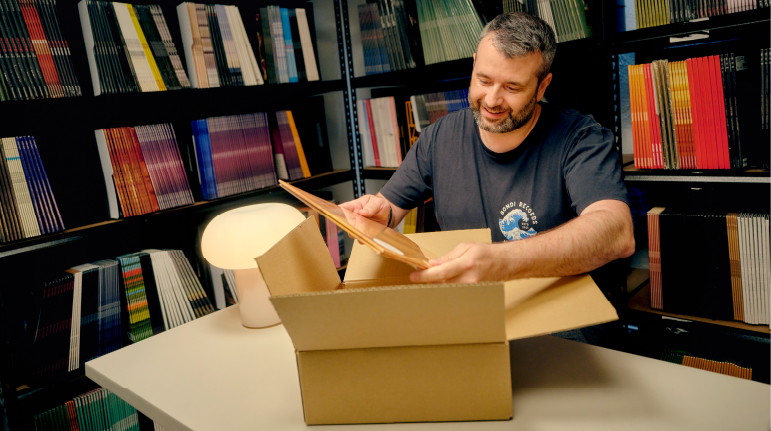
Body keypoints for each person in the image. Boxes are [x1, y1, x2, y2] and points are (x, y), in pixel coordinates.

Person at [341, 12, 634, 284]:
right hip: (470, 317)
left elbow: (617, 234)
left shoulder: (582, 138)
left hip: (560, 327)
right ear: (473, 66)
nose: (492, 100)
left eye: (512, 88)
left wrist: (500, 261)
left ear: (543, 86)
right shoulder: (438, 137)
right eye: (484, 80)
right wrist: (382, 217)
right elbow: (389, 209)